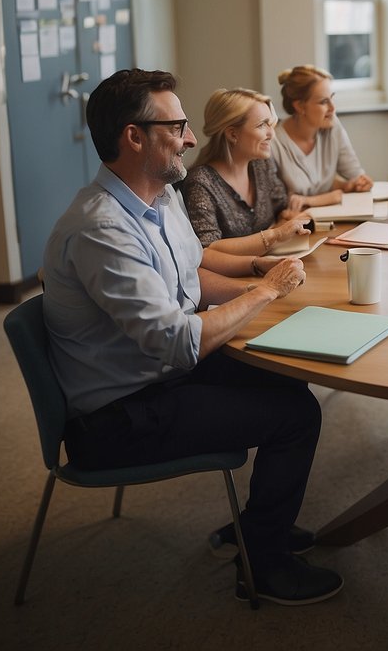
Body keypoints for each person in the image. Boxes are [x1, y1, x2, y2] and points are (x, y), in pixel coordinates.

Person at [42, 68, 342, 605]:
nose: (189, 137)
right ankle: (264, 567)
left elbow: (191, 274)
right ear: (134, 137)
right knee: (295, 416)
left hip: (152, 371)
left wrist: (266, 286)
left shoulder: (159, 196)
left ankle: (256, 530)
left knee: (289, 384)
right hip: (117, 412)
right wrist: (268, 290)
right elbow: (178, 342)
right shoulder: (101, 229)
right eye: (176, 125)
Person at [182, 88, 311, 256]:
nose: (271, 133)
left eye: (270, 124)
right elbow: (208, 249)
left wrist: (289, 218)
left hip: (273, 264)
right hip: (235, 278)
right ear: (232, 134)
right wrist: (275, 235)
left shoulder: (261, 165)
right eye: (262, 125)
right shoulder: (200, 183)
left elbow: (282, 208)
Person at [270, 64, 373, 205]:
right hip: (297, 223)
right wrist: (331, 196)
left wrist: (357, 184)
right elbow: (279, 204)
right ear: (300, 106)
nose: (333, 108)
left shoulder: (333, 126)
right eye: (324, 102)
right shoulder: (273, 143)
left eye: (332, 98)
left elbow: (355, 174)